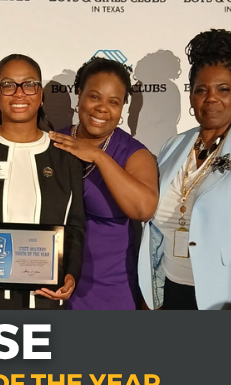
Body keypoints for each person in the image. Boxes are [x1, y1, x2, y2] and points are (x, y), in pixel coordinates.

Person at [138, 29, 231, 310]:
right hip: (170, 288)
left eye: (223, 89)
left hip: (227, 294)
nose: (211, 98)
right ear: (191, 97)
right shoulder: (173, 145)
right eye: (201, 90)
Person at [0, 54, 85, 310]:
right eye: (8, 85)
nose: (19, 93)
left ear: (41, 94)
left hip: (46, 296)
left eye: (29, 84)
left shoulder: (65, 155)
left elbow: (75, 224)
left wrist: (70, 273)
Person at [47, 57, 158, 310]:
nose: (102, 109)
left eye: (113, 102)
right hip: (49, 281)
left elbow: (144, 209)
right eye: (95, 97)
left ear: (123, 107)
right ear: (79, 94)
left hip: (109, 290)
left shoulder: (133, 154)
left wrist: (99, 157)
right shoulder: (53, 142)